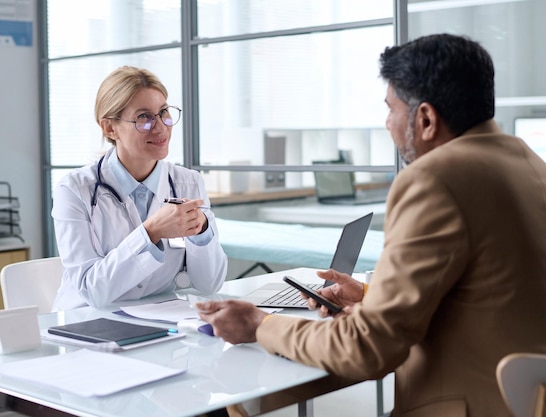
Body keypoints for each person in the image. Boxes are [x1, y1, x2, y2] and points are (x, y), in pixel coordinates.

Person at [197, 34, 546, 417]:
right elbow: (490, 291)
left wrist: (260, 324)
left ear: (426, 119)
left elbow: (368, 350)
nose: (387, 123)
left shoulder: (435, 179)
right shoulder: (529, 165)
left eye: (391, 109)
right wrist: (370, 294)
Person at [52, 66, 227, 310]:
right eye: (144, 117)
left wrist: (202, 232)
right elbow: (92, 290)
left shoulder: (188, 183)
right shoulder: (73, 190)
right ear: (110, 128)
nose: (160, 127)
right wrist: (151, 232)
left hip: (159, 320)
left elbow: (209, 284)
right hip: (88, 322)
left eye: (163, 112)